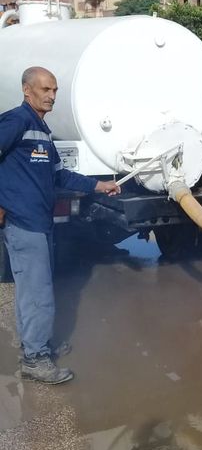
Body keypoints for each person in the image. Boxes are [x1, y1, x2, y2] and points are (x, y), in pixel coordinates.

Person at [0, 66, 121, 385]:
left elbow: (59, 175)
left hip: (40, 221)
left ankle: (35, 345)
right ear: (27, 90)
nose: (52, 96)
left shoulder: (41, 129)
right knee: (38, 291)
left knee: (31, 288)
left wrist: (99, 186)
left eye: (55, 90)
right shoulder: (17, 121)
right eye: (45, 90)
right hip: (23, 221)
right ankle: (35, 359)